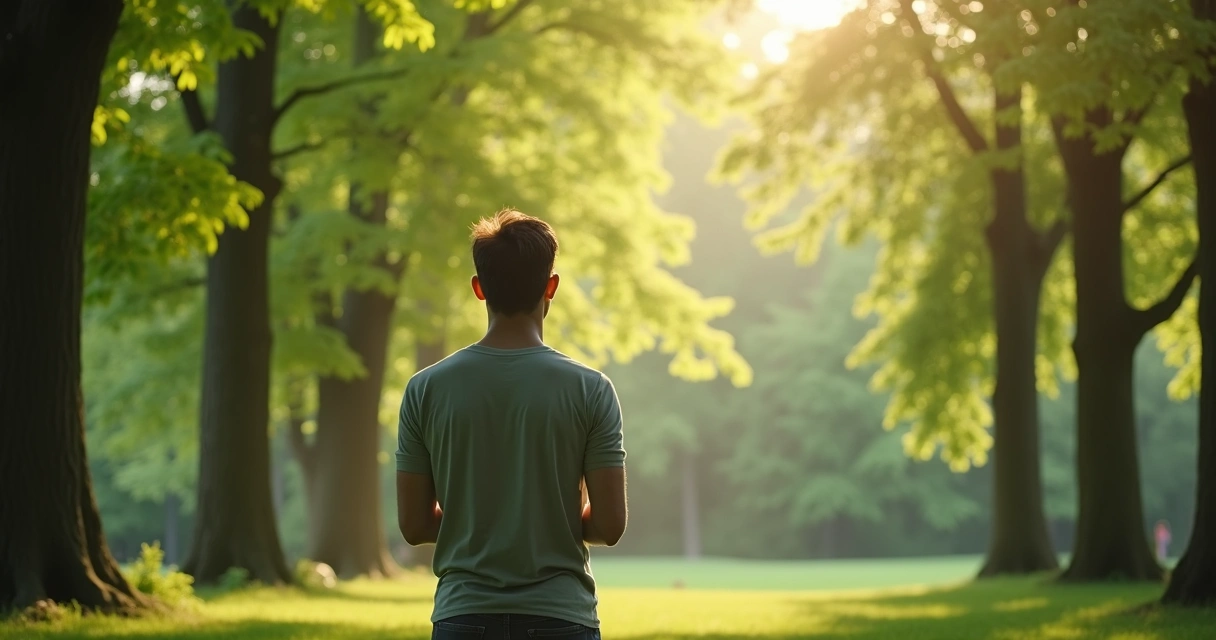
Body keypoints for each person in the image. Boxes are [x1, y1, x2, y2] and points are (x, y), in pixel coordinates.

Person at [395, 209, 628, 640]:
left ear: (479, 289)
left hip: (463, 616)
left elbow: (414, 525)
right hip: (561, 618)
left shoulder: (425, 389)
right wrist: (547, 519)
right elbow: (610, 526)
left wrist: (479, 521)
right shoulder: (591, 389)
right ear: (551, 286)